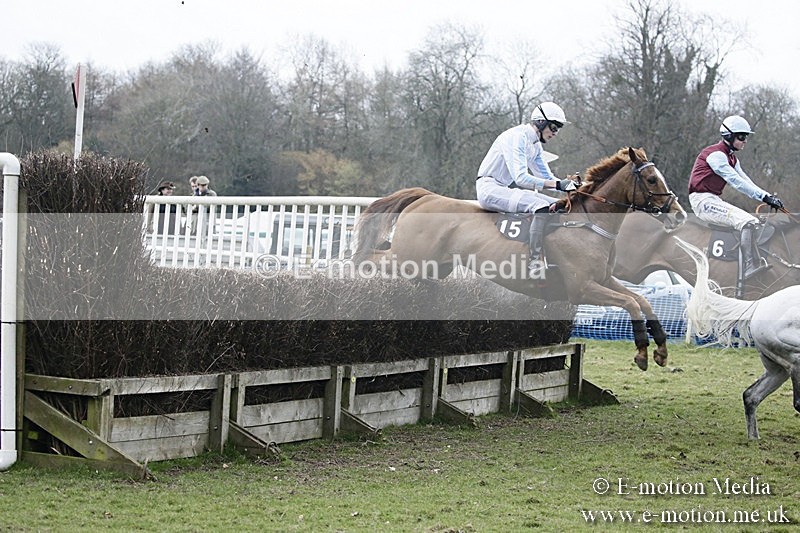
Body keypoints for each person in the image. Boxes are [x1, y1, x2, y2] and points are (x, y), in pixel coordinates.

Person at [476, 101, 577, 264]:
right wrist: (559, 185)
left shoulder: (536, 146)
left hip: (503, 189)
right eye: (554, 127)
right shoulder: (517, 137)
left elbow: (548, 177)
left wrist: (577, 189)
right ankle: (534, 261)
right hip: (489, 189)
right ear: (541, 122)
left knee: (562, 205)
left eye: (558, 129)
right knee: (541, 207)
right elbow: (521, 178)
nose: (556, 133)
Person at [688, 115, 784, 279]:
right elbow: (736, 181)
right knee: (747, 221)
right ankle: (748, 267)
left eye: (746, 137)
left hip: (714, 199)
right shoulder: (716, 155)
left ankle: (751, 261)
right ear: (729, 136)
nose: (745, 140)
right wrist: (764, 198)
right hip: (702, 201)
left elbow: (746, 180)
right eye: (741, 136)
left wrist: (767, 196)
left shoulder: (732, 157)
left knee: (753, 221)